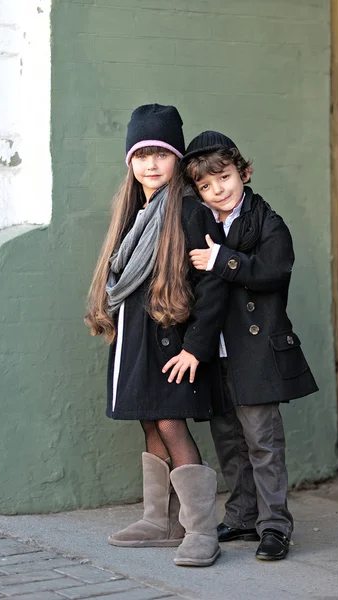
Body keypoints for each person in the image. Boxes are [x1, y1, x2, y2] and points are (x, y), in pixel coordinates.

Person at [85, 106, 228, 568]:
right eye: (141, 154)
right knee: (150, 421)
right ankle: (159, 519)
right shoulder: (133, 211)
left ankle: (201, 529)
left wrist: (195, 348)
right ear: (130, 162)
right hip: (135, 336)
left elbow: (212, 287)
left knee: (170, 422)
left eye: (161, 154)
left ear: (177, 160)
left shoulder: (188, 210)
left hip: (173, 341)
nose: (150, 164)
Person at [182, 130, 318, 561]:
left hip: (255, 351)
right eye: (205, 185)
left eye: (223, 178)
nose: (217, 190)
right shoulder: (199, 221)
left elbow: (275, 271)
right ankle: (242, 515)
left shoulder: (267, 221)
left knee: (262, 440)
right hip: (216, 348)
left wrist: (222, 260)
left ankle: (275, 525)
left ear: (243, 172)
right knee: (228, 439)